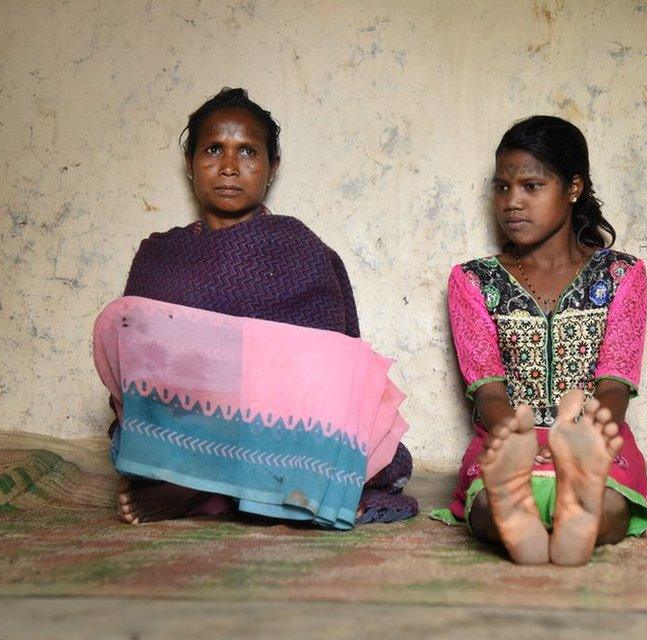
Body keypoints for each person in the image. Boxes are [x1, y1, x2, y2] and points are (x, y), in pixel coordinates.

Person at [93, 88, 416, 529]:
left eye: (247, 151)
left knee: (337, 420)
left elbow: (330, 371)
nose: (229, 167)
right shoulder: (160, 254)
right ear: (190, 164)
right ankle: (222, 484)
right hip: (187, 426)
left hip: (276, 431)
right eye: (213, 150)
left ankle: (196, 489)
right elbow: (136, 369)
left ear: (271, 167)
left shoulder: (299, 249)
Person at [431, 116, 647, 564]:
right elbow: (488, 389)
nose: (512, 203)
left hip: (592, 441)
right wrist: (513, 435)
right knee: (486, 511)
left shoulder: (622, 276)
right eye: (502, 188)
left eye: (531, 186)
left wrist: (585, 433)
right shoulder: (473, 281)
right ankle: (517, 511)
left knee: (612, 508)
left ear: (573, 188)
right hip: (509, 442)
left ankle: (576, 513)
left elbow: (614, 384)